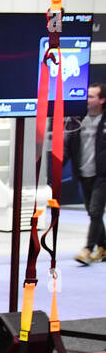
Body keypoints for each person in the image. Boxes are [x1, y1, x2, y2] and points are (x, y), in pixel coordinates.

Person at [70, 83, 105, 265]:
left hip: (102, 176)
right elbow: (69, 145)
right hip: (84, 174)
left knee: (96, 210)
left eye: (91, 96)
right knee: (93, 214)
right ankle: (104, 246)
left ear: (101, 100)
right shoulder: (77, 119)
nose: (87, 100)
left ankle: (88, 248)